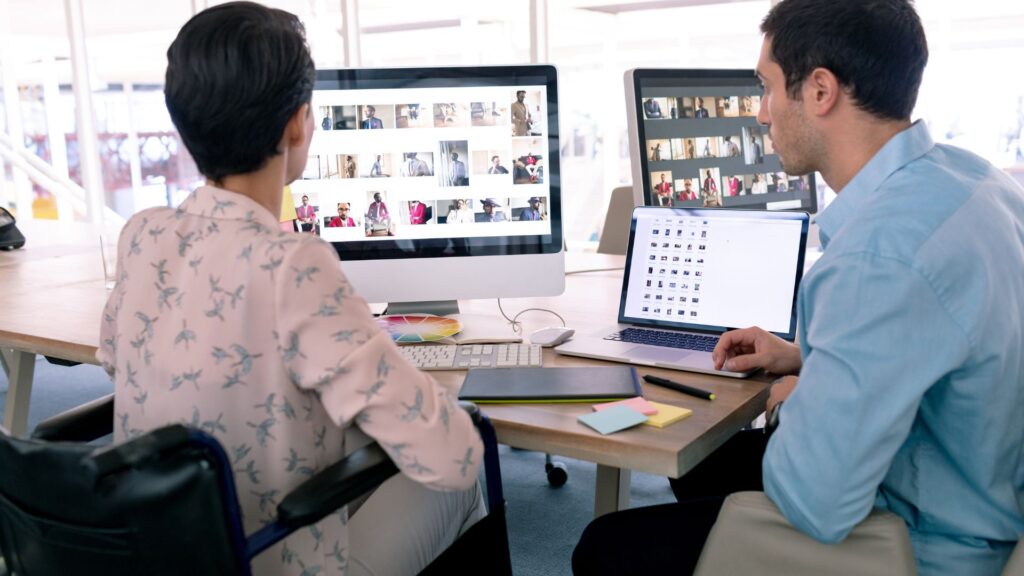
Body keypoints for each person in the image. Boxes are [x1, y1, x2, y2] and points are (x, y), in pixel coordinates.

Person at [573, 1, 1024, 575]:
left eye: (766, 88)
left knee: (605, 547)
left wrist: (792, 407)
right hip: (990, 493)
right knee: (710, 463)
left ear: (819, 91)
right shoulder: (978, 180)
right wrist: (806, 357)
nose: (761, 114)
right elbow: (940, 333)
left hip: (924, 544)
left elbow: (815, 503)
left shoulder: (874, 257)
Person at [97, 4, 485, 576]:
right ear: (299, 123)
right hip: (273, 560)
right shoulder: (292, 264)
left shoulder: (141, 236)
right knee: (470, 456)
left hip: (162, 551)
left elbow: (117, 362)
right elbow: (451, 458)